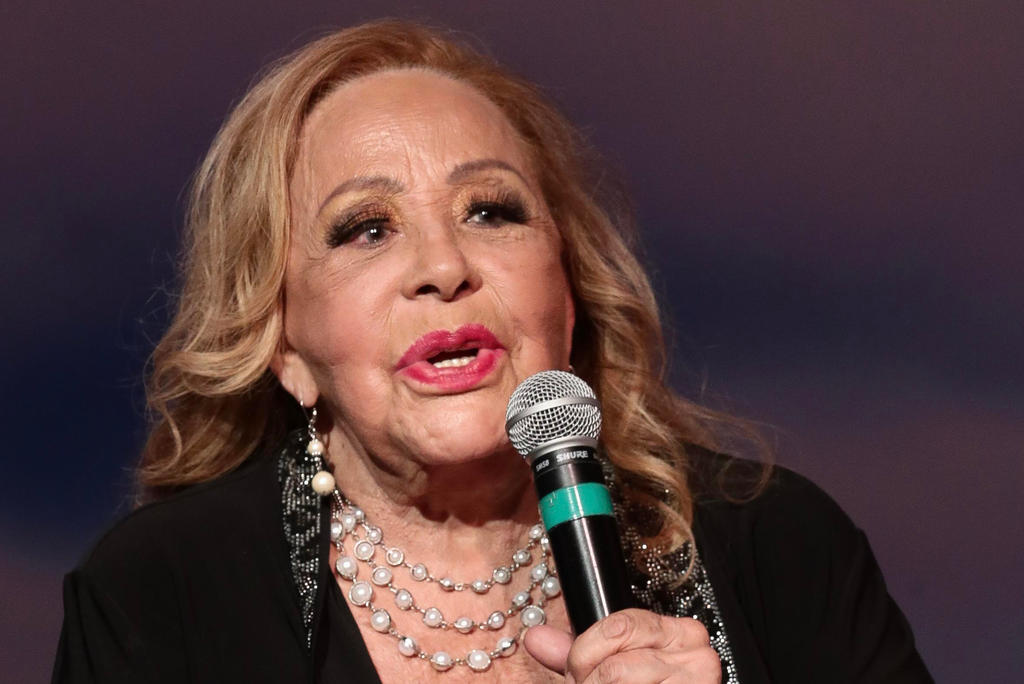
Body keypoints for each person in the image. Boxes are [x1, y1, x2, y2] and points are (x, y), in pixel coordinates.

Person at [52, 20, 932, 683]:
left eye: (491, 211)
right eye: (366, 229)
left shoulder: (780, 547)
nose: (444, 268)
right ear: (283, 344)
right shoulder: (161, 597)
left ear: (568, 288)